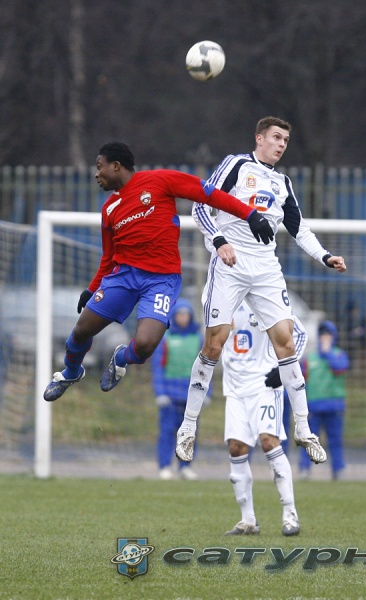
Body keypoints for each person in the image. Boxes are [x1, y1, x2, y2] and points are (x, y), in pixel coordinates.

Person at [43, 142, 274, 402]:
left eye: (100, 167)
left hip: (161, 281)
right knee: (81, 331)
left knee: (144, 346)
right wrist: (92, 288)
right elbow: (108, 257)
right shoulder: (109, 209)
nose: (97, 174)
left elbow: (208, 194)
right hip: (124, 277)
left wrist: (250, 214)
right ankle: (71, 372)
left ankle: (121, 358)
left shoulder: (160, 180)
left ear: (116, 166)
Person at [176, 116, 347, 465]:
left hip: (266, 269)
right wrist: (219, 241)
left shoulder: (283, 182)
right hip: (231, 265)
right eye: (276, 137)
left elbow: (299, 229)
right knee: (213, 345)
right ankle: (188, 427)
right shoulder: (237, 166)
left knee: (287, 343)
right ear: (259, 138)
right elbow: (200, 206)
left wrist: (325, 255)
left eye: (285, 140)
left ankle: (303, 429)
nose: (281, 144)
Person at [222, 300, 307, 537]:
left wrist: (285, 369)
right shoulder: (223, 296)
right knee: (236, 448)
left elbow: (300, 334)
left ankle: (290, 515)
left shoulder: (267, 295)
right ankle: (248, 520)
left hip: (265, 385)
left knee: (269, 441)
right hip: (234, 388)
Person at [151, 298, 210, 480]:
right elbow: (158, 367)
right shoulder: (166, 338)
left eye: (186, 314)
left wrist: (207, 392)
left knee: (189, 431)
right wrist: (160, 392)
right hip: (170, 395)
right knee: (167, 431)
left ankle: (185, 466)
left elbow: (206, 367)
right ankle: (165, 465)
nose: (183, 318)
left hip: (191, 395)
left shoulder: (198, 339)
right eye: (180, 314)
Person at [298, 320, 349, 480]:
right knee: (309, 440)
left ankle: (338, 469)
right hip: (314, 406)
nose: (325, 338)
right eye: (322, 334)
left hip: (334, 405)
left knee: (335, 440)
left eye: (328, 335)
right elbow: (301, 380)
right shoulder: (310, 358)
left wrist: (328, 353)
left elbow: (339, 368)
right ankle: (305, 469)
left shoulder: (339, 355)